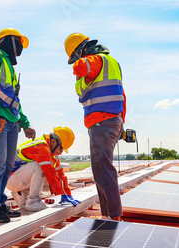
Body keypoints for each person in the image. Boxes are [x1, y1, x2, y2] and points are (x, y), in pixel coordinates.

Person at [64, 33, 126, 221]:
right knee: (101, 169)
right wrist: (121, 122)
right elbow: (122, 95)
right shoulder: (111, 63)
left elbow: (81, 66)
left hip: (102, 121)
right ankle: (108, 214)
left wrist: (79, 62)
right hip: (111, 121)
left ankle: (113, 216)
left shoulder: (95, 59)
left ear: (81, 51)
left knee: (103, 170)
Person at [0, 28, 36, 223]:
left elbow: (14, 101)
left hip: (11, 121)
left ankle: (0, 203)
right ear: (9, 41)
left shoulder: (10, 68)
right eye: (19, 43)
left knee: (7, 164)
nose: (20, 48)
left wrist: (25, 123)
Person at [6, 126, 80, 211]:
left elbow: (60, 175)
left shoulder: (52, 154)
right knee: (41, 167)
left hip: (19, 179)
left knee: (52, 183)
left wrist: (68, 194)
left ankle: (23, 198)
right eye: (61, 148)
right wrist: (63, 194)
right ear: (53, 142)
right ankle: (32, 201)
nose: (61, 152)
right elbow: (50, 172)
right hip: (11, 180)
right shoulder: (42, 147)